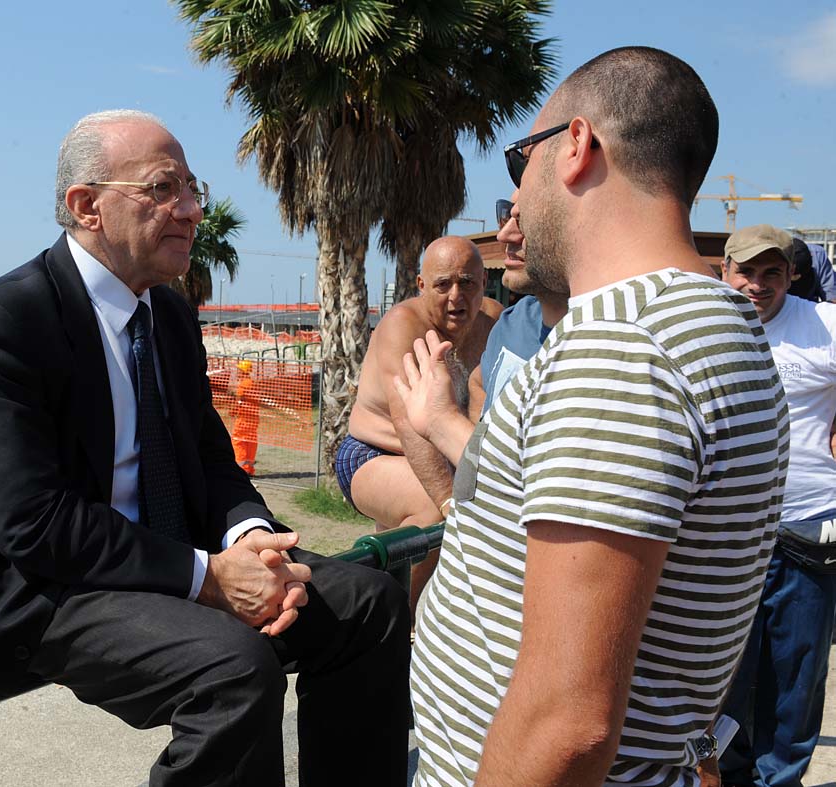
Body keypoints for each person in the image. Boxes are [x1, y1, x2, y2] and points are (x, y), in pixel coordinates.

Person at [0, 110, 411, 787]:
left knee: (368, 602)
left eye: (193, 188)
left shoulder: (168, 315)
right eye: (163, 189)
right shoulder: (2, 319)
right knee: (234, 668)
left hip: (173, 554)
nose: (190, 210)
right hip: (46, 586)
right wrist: (210, 578)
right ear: (86, 206)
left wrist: (251, 538)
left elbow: (210, 461)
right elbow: (32, 522)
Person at [395, 47, 789, 786]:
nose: (519, 195)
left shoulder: (623, 346)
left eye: (522, 160)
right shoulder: (712, 322)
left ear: (575, 147)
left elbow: (566, 721)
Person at [719, 224, 836, 787]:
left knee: (795, 679)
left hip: (809, 531)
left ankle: (778, 781)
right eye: (746, 272)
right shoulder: (706, 327)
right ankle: (724, 775)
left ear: (792, 274)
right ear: (725, 271)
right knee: (718, 678)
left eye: (771, 273)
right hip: (725, 531)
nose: (757, 285)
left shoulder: (823, 324)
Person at [338, 236, 501, 613]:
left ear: (484, 283)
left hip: (447, 457)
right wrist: (449, 502)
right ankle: (395, 621)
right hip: (371, 454)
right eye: (443, 284)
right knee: (435, 510)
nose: (456, 296)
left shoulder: (493, 322)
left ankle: (392, 604)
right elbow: (409, 423)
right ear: (422, 285)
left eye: (468, 283)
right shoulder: (402, 325)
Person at [466, 193, 569, 419]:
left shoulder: (609, 336)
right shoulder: (511, 321)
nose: (503, 235)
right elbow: (478, 382)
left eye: (525, 219)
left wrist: (440, 418)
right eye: (505, 214)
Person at [230, 358, 260, 476]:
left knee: (238, 442)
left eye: (239, 369)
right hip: (254, 418)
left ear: (243, 371)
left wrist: (233, 411)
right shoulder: (253, 383)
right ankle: (249, 469)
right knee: (250, 442)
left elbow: (239, 401)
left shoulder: (243, 384)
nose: (237, 371)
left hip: (244, 419)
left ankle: (241, 470)